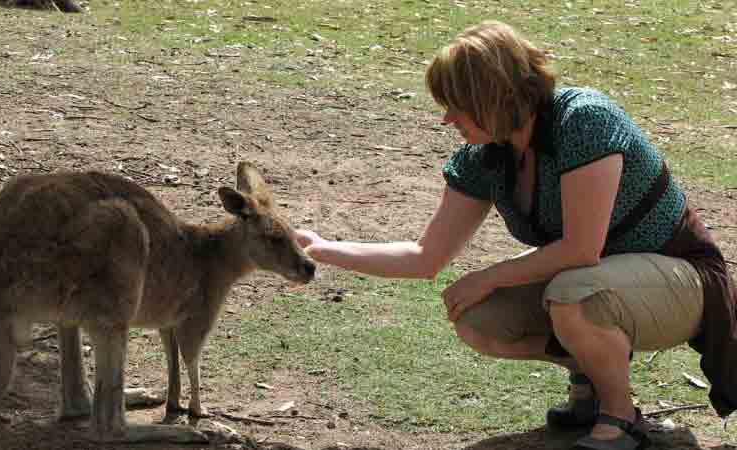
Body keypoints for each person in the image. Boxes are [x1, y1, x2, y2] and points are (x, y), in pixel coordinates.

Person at [295, 20, 737, 450]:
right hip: (602, 283)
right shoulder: (486, 156)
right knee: (477, 317)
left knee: (572, 294)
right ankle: (591, 375)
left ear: (491, 95)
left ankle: (622, 416)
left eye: (455, 104)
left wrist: (490, 274)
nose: (447, 119)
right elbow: (423, 256)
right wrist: (324, 249)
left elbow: (582, 248)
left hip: (684, 280)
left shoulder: (584, 121)